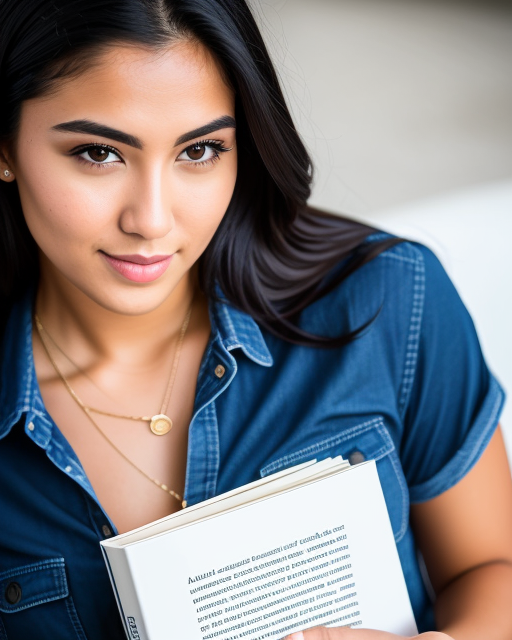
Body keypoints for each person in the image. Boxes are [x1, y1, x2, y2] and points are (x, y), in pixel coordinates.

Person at [0, 1, 510, 639]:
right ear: (6, 145)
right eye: (100, 153)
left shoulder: (385, 300)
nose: (151, 220)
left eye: (201, 150)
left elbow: (492, 564)